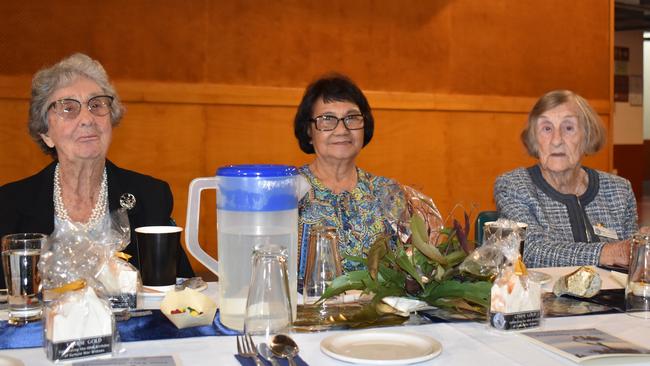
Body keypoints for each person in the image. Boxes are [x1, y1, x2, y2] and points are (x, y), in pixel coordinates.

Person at [0, 53, 194, 288]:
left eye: (96, 105)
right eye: (68, 108)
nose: (87, 118)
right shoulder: (9, 205)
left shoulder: (150, 196)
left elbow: (182, 289)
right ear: (46, 133)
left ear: (110, 119)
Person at [494, 90, 639, 268]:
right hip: (545, 295)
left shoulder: (619, 190)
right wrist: (609, 253)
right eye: (547, 129)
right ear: (534, 139)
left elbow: (633, 259)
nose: (556, 140)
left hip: (614, 296)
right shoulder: (515, 186)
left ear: (587, 136)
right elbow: (529, 251)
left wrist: (642, 246)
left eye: (568, 128)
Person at [294, 74, 403, 276]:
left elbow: (410, 266)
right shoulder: (288, 191)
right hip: (308, 306)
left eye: (351, 118)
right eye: (327, 120)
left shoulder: (387, 192)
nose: (342, 130)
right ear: (309, 130)